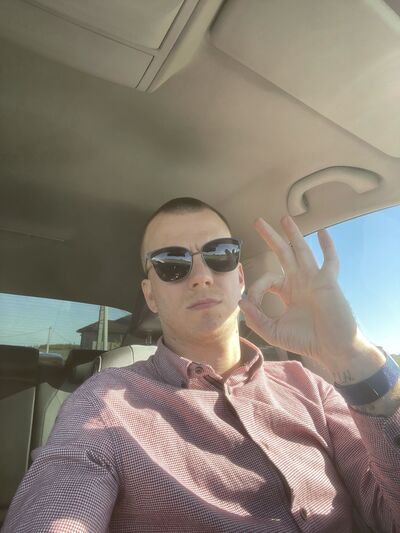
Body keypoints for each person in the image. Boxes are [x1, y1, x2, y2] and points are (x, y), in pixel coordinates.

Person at [2, 197, 400, 533]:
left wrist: (352, 353)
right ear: (150, 295)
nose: (201, 276)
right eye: (171, 263)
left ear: (239, 277)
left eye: (219, 255)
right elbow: (58, 503)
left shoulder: (310, 386)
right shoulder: (103, 406)